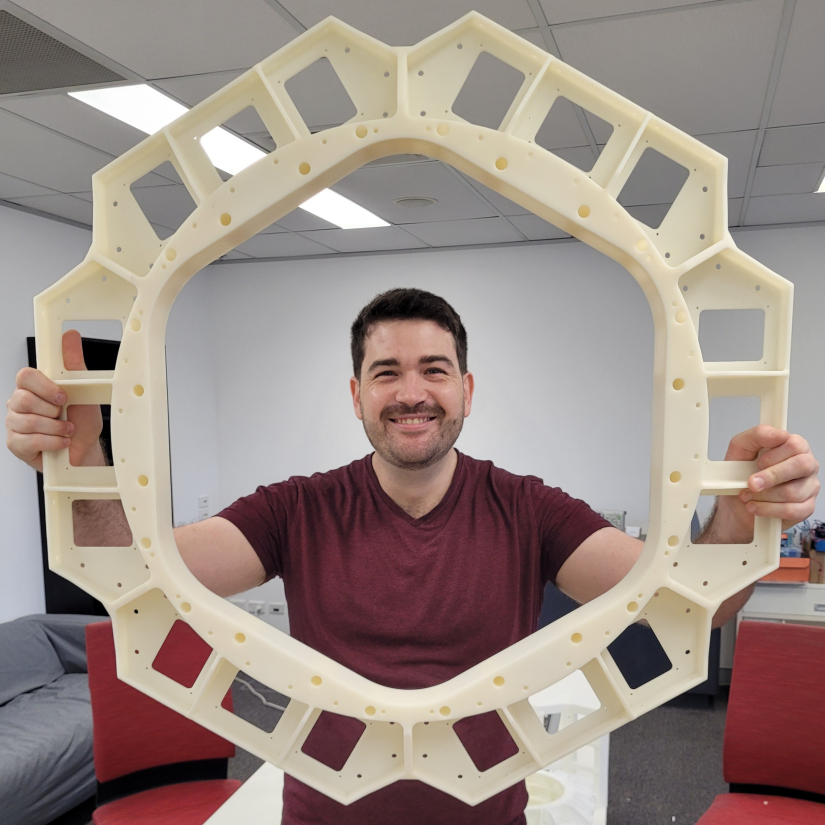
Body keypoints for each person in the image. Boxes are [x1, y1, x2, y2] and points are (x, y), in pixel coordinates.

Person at [6, 287, 820, 825]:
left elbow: (690, 607)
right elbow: (135, 579)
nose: (410, 392)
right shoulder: (295, 508)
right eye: (385, 371)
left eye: (434, 369)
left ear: (466, 388)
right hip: (323, 813)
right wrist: (82, 465)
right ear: (355, 394)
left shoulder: (528, 508)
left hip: (485, 812)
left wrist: (737, 518)